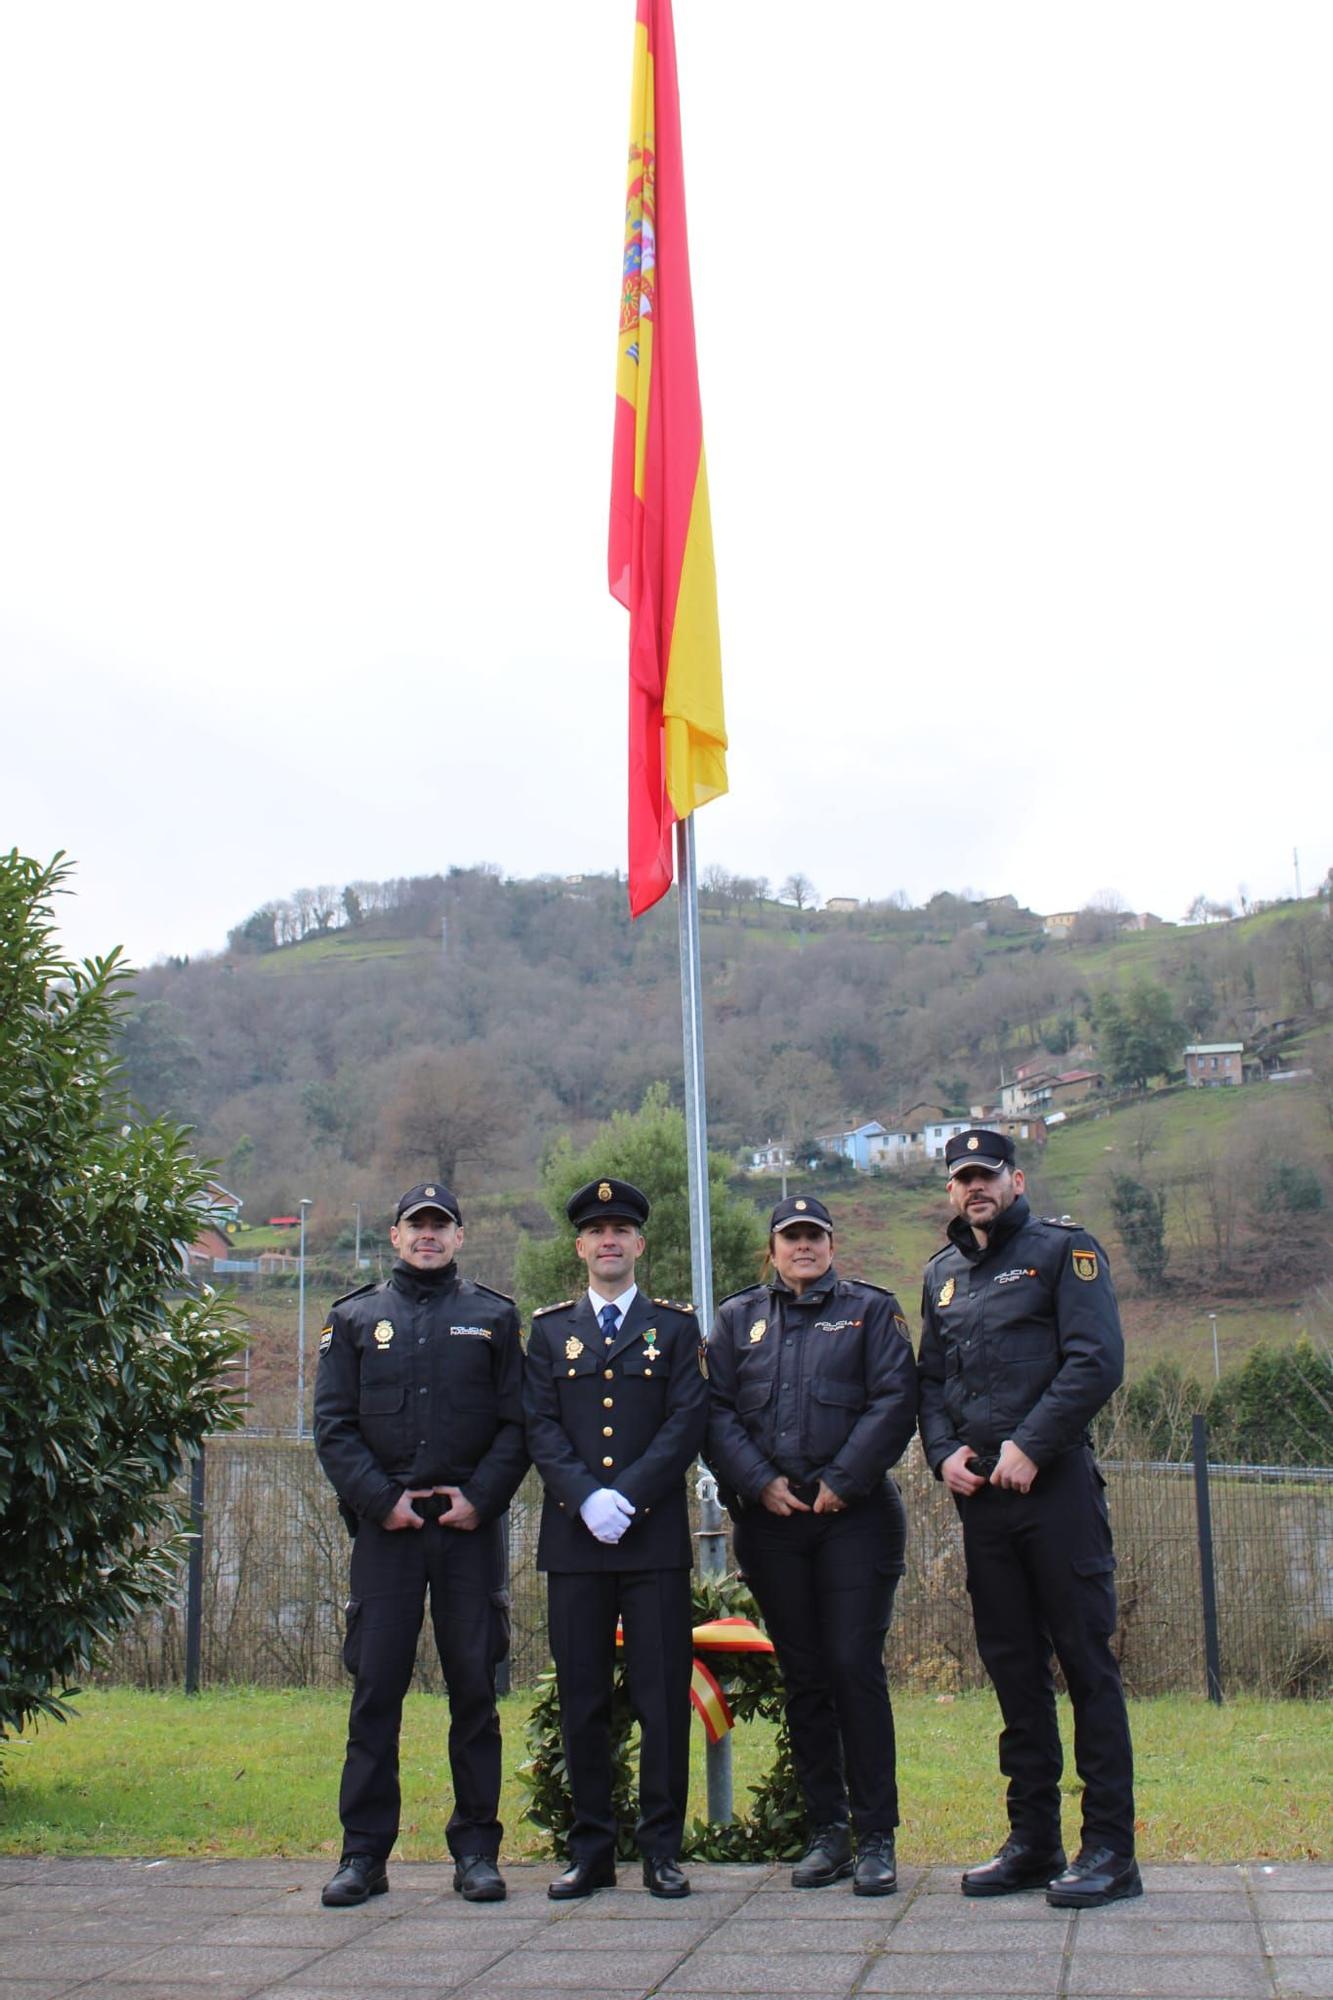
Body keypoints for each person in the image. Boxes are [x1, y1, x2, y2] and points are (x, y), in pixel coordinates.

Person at [917, 1129, 1140, 1909]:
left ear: (1014, 1180)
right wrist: (940, 1453)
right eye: (961, 1179)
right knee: (1013, 1670)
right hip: (981, 1501)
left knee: (1085, 1665)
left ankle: (1110, 1850)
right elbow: (929, 1379)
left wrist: (1030, 1447)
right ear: (951, 1191)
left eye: (986, 1175)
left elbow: (1095, 1360)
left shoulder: (1062, 1252)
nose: (974, 1188)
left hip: (1055, 1492)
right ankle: (1033, 1841)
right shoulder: (941, 1275)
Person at [313, 1183, 527, 1909]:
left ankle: (476, 1852)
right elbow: (333, 1428)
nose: (428, 1236)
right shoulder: (354, 1319)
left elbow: (516, 1425)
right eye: (416, 1225)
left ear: (460, 1237)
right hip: (388, 1534)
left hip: (468, 1531)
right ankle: (362, 1856)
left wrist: (481, 1498)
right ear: (395, 1235)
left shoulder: (493, 1317)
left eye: (441, 1226)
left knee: (475, 1694)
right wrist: (381, 1500)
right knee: (375, 1694)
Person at [705, 1194, 918, 1896]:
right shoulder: (737, 1320)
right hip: (771, 1524)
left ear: (832, 1245)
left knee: (852, 1665)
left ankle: (876, 1834)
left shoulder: (868, 1312)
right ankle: (827, 1830)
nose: (803, 1247)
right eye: (791, 1237)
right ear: (771, 1248)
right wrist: (758, 1483)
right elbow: (715, 1411)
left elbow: (895, 1400)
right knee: (804, 1677)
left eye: (815, 1237)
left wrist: (842, 1480)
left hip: (852, 1519)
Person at [524, 1177, 709, 1901]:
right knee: (583, 1699)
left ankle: (662, 1849)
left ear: (639, 1244)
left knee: (662, 1699)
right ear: (579, 1246)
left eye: (620, 1230)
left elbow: (685, 1422)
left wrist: (624, 1497)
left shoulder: (676, 1328)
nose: (608, 1240)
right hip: (575, 1541)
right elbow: (538, 1425)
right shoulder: (546, 1331)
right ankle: (592, 1848)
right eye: (596, 1230)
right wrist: (584, 1497)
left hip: (652, 1538)